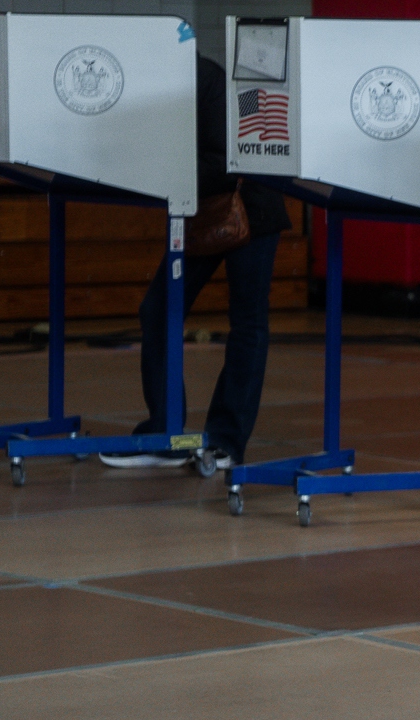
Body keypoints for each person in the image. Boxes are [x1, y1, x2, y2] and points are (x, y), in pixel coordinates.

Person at [103, 50, 291, 478]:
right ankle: (166, 434)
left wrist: (157, 169)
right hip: (202, 212)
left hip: (251, 210)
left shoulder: (207, 81)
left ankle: (227, 441)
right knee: (158, 310)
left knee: (247, 323)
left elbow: (227, 160)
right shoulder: (162, 89)